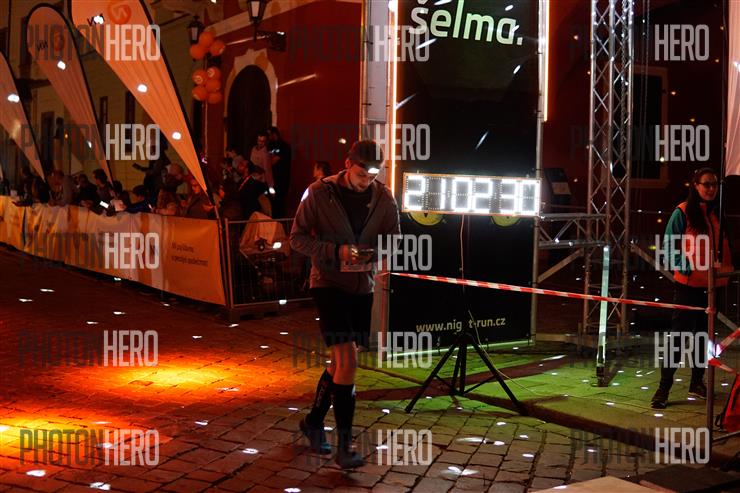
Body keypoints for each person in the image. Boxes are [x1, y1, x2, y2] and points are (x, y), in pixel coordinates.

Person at [290, 140, 400, 469]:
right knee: (348, 360)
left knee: (340, 363)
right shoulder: (318, 193)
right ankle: (345, 446)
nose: (367, 182)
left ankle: (313, 422)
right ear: (347, 164)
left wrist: (374, 254)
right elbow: (296, 238)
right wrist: (334, 252)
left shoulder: (384, 197)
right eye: (361, 175)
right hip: (328, 283)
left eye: (373, 176)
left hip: (362, 285)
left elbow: (395, 237)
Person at [651, 168, 734, 409]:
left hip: (712, 287)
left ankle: (697, 382)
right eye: (706, 184)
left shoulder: (717, 213)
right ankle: (663, 388)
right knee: (678, 338)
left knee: (703, 338)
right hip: (688, 287)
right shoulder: (683, 212)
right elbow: (668, 246)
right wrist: (685, 268)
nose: (711, 188)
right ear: (695, 185)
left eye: (714, 184)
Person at [268, 126, 292, 218]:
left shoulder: (283, 146)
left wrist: (269, 159)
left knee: (280, 203)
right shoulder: (271, 146)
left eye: (269, 135)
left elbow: (272, 161)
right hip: (273, 179)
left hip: (282, 179)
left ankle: (279, 222)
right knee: (273, 203)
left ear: (274, 134)